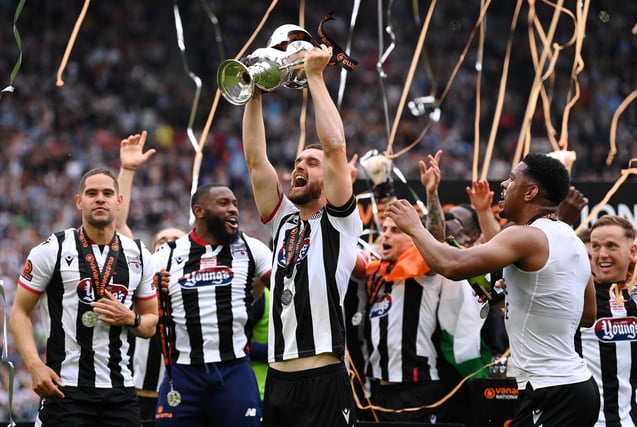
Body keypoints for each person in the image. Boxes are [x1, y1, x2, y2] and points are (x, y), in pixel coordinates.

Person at [385, 152, 599, 426]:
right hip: (577, 387)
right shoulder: (573, 241)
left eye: (511, 179)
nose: (503, 184)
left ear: (531, 191)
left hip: (550, 390)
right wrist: (520, 298)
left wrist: (415, 227)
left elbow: (450, 265)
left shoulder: (524, 235)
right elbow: (587, 315)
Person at [242, 44, 363, 427]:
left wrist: (314, 77)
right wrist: (253, 94)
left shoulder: (340, 221)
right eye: (297, 162)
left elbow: (336, 147)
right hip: (277, 378)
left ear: (328, 178)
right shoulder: (284, 222)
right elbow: (256, 161)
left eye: (311, 163)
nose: (300, 166)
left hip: (322, 377)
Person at [8, 167, 159, 427]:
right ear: (79, 201)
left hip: (120, 391)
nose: (100, 198)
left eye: (107, 193)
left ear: (118, 201)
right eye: (92, 193)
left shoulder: (139, 255)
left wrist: (131, 318)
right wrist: (35, 366)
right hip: (65, 388)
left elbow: (150, 323)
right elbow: (19, 313)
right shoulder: (52, 249)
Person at [151, 183, 272, 427]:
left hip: (234, 370)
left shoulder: (251, 249)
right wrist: (155, 289)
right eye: (223, 203)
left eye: (235, 204)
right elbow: (141, 299)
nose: (233, 210)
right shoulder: (169, 254)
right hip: (184, 372)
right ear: (199, 211)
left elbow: (290, 290)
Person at [358, 150, 445, 423]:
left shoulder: (422, 266)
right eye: (384, 229)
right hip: (378, 391)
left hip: (416, 388)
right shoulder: (375, 271)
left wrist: (431, 195)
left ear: (413, 239)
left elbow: (438, 243)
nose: (386, 234)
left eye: (396, 231)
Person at [115, 130, 186, 425]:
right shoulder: (142, 266)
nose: (168, 243)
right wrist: (127, 171)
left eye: (175, 239)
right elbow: (119, 226)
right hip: (132, 387)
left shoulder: (197, 278)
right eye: (162, 239)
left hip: (180, 389)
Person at [575, 215, 637, 426]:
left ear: (632, 252)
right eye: (596, 246)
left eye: (612, 246)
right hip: (585, 421)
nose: (602, 254)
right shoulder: (574, 299)